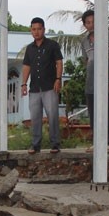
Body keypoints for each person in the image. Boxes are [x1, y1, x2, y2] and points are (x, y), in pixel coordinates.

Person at [20, 17, 64, 154]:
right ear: (31, 31)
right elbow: (26, 66)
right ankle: (35, 144)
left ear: (43, 29)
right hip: (34, 88)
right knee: (35, 117)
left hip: (50, 87)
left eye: (39, 29)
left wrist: (58, 79)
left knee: (52, 115)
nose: (36, 32)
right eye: (34, 29)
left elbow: (59, 62)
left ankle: (55, 144)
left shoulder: (52, 45)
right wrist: (23, 84)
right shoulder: (29, 48)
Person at [80, 9, 109, 150]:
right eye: (88, 22)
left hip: (107, 82)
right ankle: (97, 141)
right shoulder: (84, 41)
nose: (92, 25)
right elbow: (87, 61)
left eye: (94, 21)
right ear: (85, 25)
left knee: (108, 111)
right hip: (91, 84)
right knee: (93, 113)